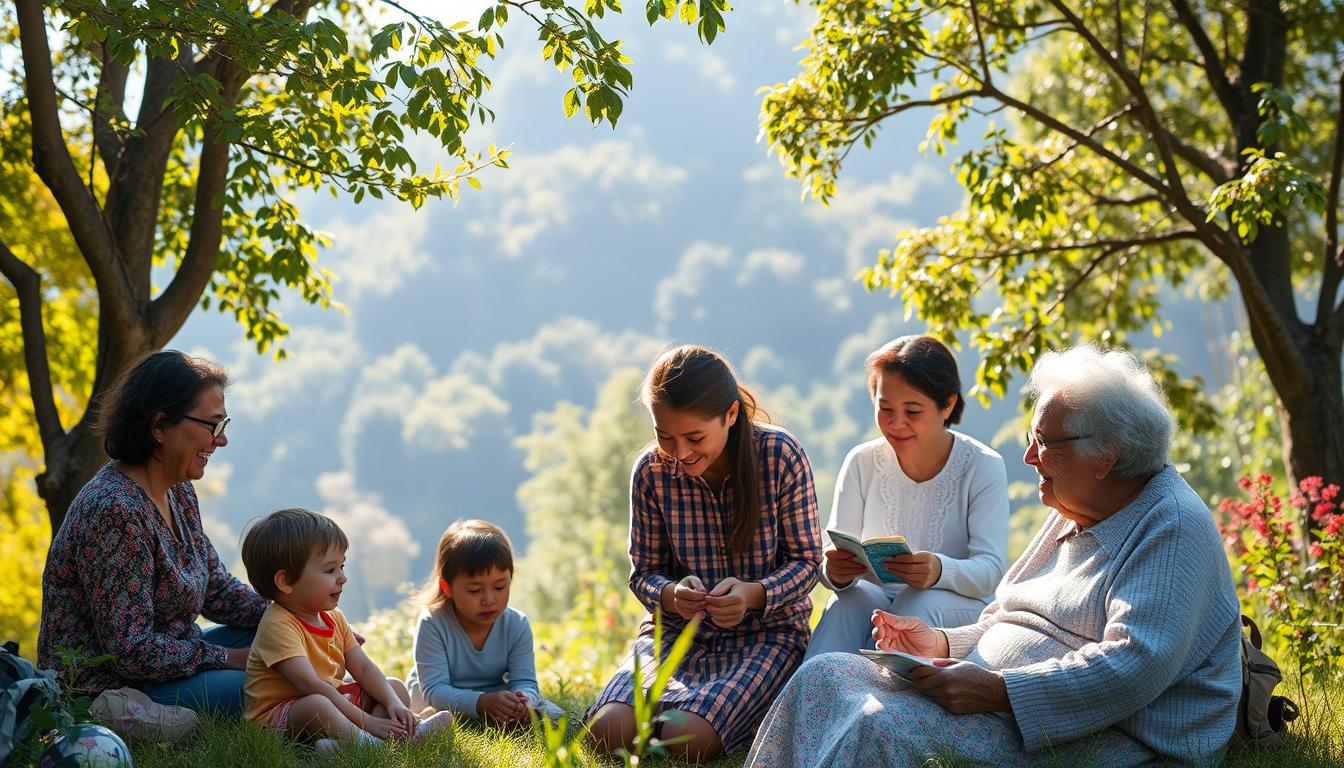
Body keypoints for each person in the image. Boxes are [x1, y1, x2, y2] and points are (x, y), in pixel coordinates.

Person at [746, 345, 1242, 767]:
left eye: (1043, 442)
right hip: (1000, 696)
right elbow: (1009, 616)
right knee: (823, 677)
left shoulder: (1171, 526)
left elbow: (1133, 666)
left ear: (1106, 455)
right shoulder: (1078, 503)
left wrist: (999, 691)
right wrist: (941, 643)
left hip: (1113, 735)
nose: (1028, 457)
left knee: (876, 726)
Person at [586, 345, 822, 759]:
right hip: (677, 634)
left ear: (731, 415)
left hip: (766, 636)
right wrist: (672, 596)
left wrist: (752, 594)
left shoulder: (780, 456)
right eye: (665, 436)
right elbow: (643, 573)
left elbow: (807, 563)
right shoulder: (651, 473)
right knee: (607, 732)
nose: (679, 453)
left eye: (695, 438)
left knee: (682, 739)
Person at [39, 351, 269, 716]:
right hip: (113, 689)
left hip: (171, 666)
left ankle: (355, 715)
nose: (221, 441)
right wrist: (226, 657)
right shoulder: (115, 511)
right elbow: (130, 652)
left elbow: (216, 589)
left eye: (223, 425)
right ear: (159, 426)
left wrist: (297, 616)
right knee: (270, 679)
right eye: (212, 426)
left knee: (288, 642)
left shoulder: (178, 490)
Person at [807, 335, 1008, 659]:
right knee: (847, 601)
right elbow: (832, 551)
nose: (895, 423)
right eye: (885, 408)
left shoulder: (983, 466)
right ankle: (810, 703)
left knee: (917, 602)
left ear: (949, 405)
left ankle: (886, 706)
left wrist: (939, 570)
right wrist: (836, 573)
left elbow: (990, 569)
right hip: (877, 598)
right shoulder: (862, 461)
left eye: (912, 411)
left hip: (954, 606)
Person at [240, 508, 451, 752]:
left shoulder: (333, 618)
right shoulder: (278, 625)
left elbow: (363, 668)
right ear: (286, 582)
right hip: (282, 717)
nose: (342, 578)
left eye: (342, 566)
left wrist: (393, 703)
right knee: (317, 705)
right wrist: (368, 722)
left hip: (331, 701)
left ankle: (375, 736)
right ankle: (372, 744)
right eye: (330, 570)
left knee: (394, 687)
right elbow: (310, 685)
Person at [406, 519, 564, 724]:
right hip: (435, 696)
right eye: (475, 590)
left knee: (553, 715)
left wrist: (522, 701)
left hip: (493, 691)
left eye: (499, 587)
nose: (489, 600)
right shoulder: (433, 623)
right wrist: (481, 702)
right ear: (447, 587)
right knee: (429, 715)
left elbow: (525, 681)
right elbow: (435, 690)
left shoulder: (516, 624)